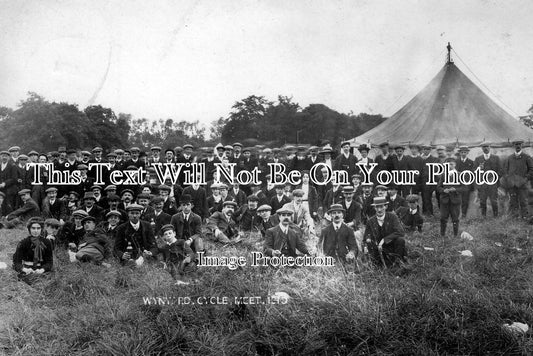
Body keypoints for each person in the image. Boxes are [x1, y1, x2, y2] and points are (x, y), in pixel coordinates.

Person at [364, 197, 407, 267]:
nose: (379, 210)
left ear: (386, 206)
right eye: (377, 207)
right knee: (377, 265)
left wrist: (384, 240)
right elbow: (366, 237)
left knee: (400, 240)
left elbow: (400, 232)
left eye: (381, 207)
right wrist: (366, 244)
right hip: (378, 249)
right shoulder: (370, 221)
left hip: (392, 247)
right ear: (374, 208)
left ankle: (398, 262)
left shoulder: (392, 217)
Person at [12, 217, 53, 283]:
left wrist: (41, 270)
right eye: (33, 228)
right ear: (29, 229)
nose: (36, 231)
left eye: (38, 228)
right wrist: (24, 269)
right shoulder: (23, 243)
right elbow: (16, 262)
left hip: (41, 270)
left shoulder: (47, 243)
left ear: (41, 229)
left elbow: (49, 262)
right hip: (27, 270)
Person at [502, 140, 533, 219]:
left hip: (523, 184)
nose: (518, 146)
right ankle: (515, 217)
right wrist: (508, 179)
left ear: (522, 145)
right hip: (512, 184)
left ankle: (525, 217)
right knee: (513, 201)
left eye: (519, 144)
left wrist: (525, 179)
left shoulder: (527, 157)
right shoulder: (509, 158)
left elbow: (531, 169)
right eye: (516, 144)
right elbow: (505, 170)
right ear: (513, 146)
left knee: (523, 201)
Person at [437, 158, 465, 237]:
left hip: (455, 200)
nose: (449, 166)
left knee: (455, 219)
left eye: (451, 164)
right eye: (447, 164)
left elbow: (464, 188)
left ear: (455, 165)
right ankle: (442, 235)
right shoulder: (443, 175)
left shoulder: (460, 174)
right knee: (443, 218)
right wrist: (443, 190)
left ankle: (455, 235)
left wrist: (455, 189)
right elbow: (438, 187)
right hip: (444, 200)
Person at [474, 143, 500, 217]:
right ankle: (483, 216)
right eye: (484, 147)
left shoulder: (496, 158)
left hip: (493, 183)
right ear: (482, 148)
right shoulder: (478, 159)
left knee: (494, 201)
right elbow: (474, 171)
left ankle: (496, 216)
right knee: (482, 201)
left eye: (487, 146)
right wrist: (479, 168)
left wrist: (495, 178)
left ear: (490, 147)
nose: (486, 148)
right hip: (482, 184)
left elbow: (500, 170)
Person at [456, 146, 475, 218]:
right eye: (462, 152)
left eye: (465, 152)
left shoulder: (471, 162)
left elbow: (472, 174)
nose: (463, 153)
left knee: (465, 200)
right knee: (457, 199)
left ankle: (464, 214)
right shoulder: (456, 161)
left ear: (467, 153)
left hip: (467, 184)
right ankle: (456, 214)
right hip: (457, 183)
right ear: (460, 153)